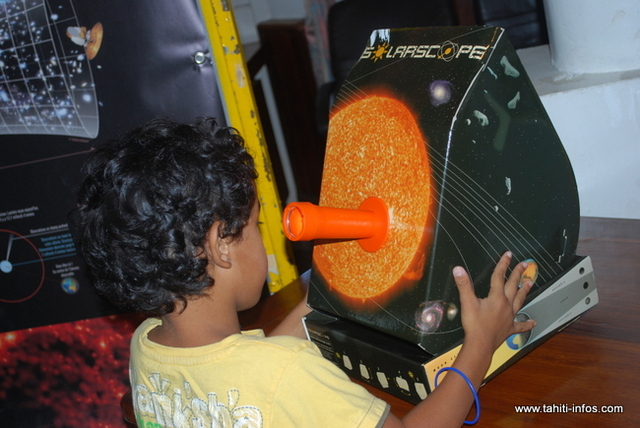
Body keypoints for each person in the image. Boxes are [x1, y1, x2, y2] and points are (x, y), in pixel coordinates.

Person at [75, 117, 536, 428]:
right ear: (220, 245)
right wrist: (479, 344)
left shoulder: (149, 345)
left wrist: (321, 292)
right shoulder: (288, 373)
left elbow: (245, 379)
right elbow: (276, 376)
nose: (263, 238)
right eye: (255, 225)